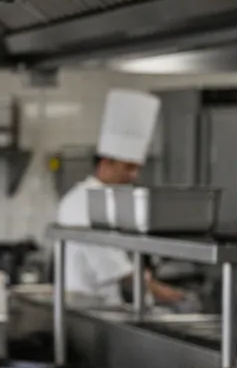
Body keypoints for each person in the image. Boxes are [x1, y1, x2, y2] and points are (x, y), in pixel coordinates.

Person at [55, 88, 185, 307]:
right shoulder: (83, 201)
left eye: (137, 168)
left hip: (103, 306)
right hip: (89, 306)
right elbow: (115, 268)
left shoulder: (108, 199)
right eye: (129, 167)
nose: (134, 175)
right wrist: (171, 295)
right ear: (106, 163)